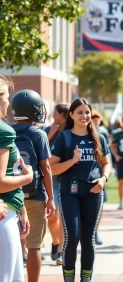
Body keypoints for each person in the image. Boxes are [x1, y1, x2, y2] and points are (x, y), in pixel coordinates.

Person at [50, 98, 111, 282]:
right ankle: (69, 278)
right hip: (70, 192)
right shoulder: (65, 137)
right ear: (71, 115)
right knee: (72, 237)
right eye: (80, 113)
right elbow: (52, 167)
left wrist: (103, 178)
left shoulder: (98, 137)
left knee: (88, 239)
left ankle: (86, 279)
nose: (84, 116)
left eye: (87, 112)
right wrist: (72, 161)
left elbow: (106, 163)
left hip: (93, 193)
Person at [11, 89, 56, 282]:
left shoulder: (7, 131)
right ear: (32, 111)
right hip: (34, 194)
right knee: (34, 246)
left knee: (10, 245)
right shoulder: (38, 133)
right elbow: (45, 167)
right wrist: (51, 198)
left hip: (11, 194)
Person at [0, 76, 33, 282]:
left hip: (10, 210)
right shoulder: (4, 131)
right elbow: (2, 181)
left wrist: (21, 207)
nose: (8, 102)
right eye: (5, 96)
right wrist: (28, 177)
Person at [45, 104, 69, 265]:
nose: (53, 115)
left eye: (55, 113)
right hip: (51, 179)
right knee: (52, 218)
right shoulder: (48, 130)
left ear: (62, 114)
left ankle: (60, 250)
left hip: (66, 179)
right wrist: (51, 134)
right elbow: (39, 150)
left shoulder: (70, 132)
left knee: (63, 217)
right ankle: (55, 242)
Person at [91, 110, 110, 245]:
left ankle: (95, 231)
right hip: (86, 177)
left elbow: (106, 159)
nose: (96, 121)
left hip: (99, 176)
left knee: (100, 205)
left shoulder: (101, 136)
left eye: (98, 119)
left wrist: (104, 176)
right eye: (94, 119)